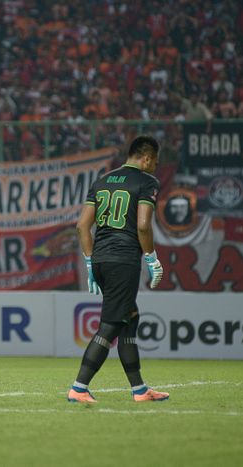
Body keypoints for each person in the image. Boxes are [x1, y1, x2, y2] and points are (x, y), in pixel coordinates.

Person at [68, 135, 169, 403]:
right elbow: (143, 226)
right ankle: (79, 387)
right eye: (155, 161)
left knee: (128, 319)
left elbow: (81, 226)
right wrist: (152, 258)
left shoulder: (101, 181)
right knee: (111, 325)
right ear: (146, 158)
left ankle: (139, 389)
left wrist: (90, 262)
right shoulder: (146, 182)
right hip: (123, 261)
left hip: (101, 258)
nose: (155, 167)